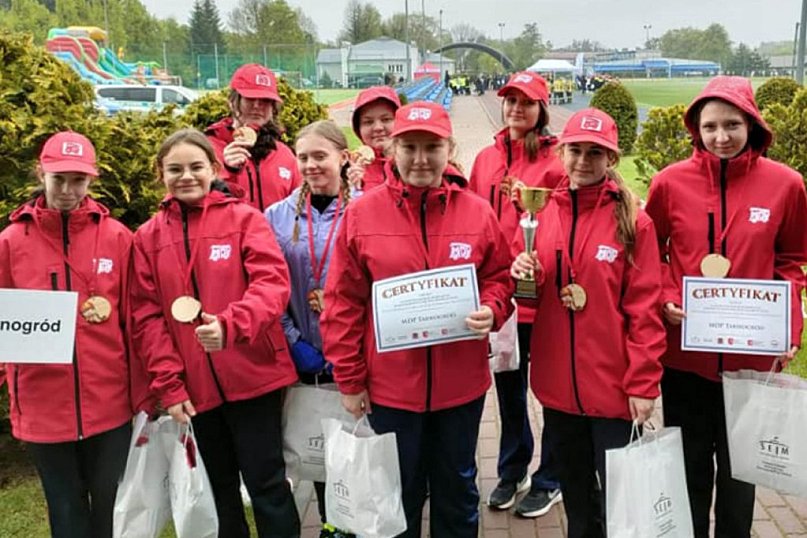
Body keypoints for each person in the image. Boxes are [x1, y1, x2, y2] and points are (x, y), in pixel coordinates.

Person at [320, 101, 514, 537]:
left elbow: (499, 277)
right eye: (409, 147)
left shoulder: (476, 211)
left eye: (432, 147)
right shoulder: (362, 214)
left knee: (458, 491)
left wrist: (493, 307)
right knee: (394, 495)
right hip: (392, 391)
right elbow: (343, 304)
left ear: (449, 149)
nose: (421, 159)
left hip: (460, 388)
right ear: (392, 149)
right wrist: (350, 380)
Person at [644, 76, 807, 538]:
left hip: (749, 360)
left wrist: (787, 323)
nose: (721, 137)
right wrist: (665, 295)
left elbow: (793, 261)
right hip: (685, 358)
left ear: (751, 123)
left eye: (732, 124)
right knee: (689, 470)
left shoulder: (786, 184)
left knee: (740, 477)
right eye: (710, 126)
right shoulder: (669, 183)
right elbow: (648, 255)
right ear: (696, 129)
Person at [130, 128, 300, 537]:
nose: (186, 176)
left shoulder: (244, 219)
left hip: (253, 376)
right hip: (194, 389)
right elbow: (147, 318)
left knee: (268, 485)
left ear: (213, 167)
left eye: (195, 166)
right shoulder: (148, 237)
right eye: (175, 169)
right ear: (161, 174)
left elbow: (272, 285)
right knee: (218, 491)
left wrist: (232, 325)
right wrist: (169, 385)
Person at [511, 108, 666, 538]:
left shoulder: (635, 220)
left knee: (624, 501)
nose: (583, 161)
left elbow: (645, 308)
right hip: (558, 389)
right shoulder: (540, 214)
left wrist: (643, 383)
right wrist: (525, 274)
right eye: (575, 150)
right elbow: (527, 299)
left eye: (595, 152)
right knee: (578, 498)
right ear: (561, 153)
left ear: (611, 158)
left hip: (616, 389)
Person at [0, 132, 147, 538]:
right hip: (41, 403)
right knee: (65, 508)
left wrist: (143, 391)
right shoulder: (11, 242)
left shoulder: (117, 236)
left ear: (91, 180)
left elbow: (134, 319)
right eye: (58, 178)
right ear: (41, 173)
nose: (67, 190)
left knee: (110, 504)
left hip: (109, 401)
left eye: (78, 180)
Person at [469, 71, 565, 517]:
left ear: (542, 109)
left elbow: (565, 225)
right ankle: (513, 469)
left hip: (544, 298)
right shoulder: (486, 159)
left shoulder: (556, 161)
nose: (516, 109)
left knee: (554, 392)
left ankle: (552, 477)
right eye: (510, 101)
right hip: (502, 299)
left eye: (526, 102)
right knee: (508, 390)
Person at [265, 120, 356, 538]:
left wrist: (354, 347)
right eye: (303, 157)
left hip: (355, 357)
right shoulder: (276, 217)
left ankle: (358, 521)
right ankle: (330, 523)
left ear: (343, 157)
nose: (311, 165)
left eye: (320, 156)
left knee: (356, 446)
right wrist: (293, 340)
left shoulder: (365, 210)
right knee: (318, 443)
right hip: (304, 353)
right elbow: (269, 286)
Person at [206, 63, 301, 212]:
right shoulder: (209, 149)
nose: (257, 106)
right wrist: (229, 172)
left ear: (272, 108)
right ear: (232, 102)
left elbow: (301, 209)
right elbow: (202, 206)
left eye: (264, 100)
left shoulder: (284, 154)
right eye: (250, 98)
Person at [346, 86, 401, 191]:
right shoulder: (351, 166)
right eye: (368, 122)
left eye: (386, 119)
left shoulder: (415, 164)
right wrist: (354, 190)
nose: (378, 128)